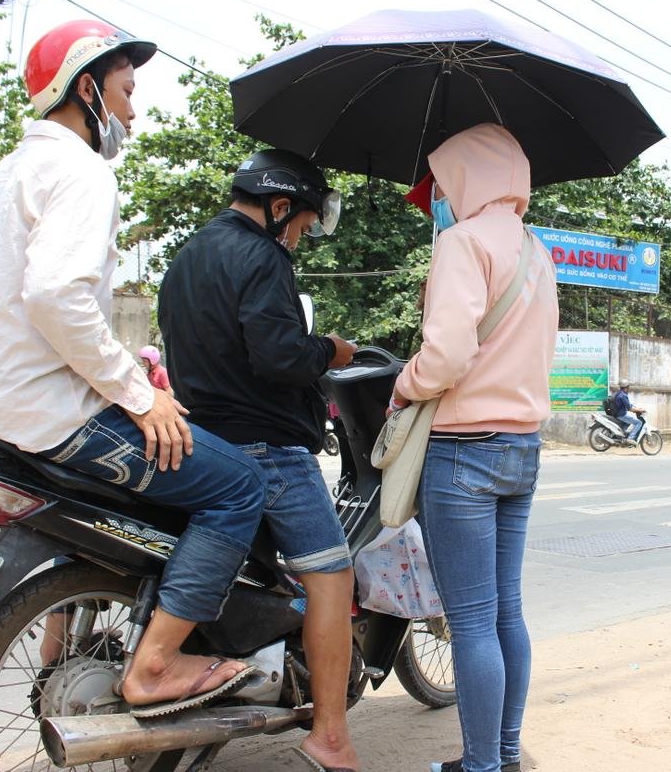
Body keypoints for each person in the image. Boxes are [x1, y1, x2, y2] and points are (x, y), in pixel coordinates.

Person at [0, 19, 270, 714]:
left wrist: (4, 361)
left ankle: (73, 645)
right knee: (237, 485)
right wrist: (137, 393)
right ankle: (158, 666)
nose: (133, 114)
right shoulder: (79, 171)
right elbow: (57, 295)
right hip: (58, 417)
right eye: (127, 92)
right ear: (88, 89)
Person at [157, 148, 360, 772]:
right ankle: (330, 734)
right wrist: (331, 349)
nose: (302, 235)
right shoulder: (263, 256)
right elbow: (277, 356)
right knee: (333, 577)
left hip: (204, 442)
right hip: (267, 448)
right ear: (278, 208)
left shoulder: (186, 256)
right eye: (301, 222)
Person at [390, 123, 559, 772]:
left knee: (471, 621)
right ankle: (504, 757)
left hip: (463, 452)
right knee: (505, 612)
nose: (439, 200)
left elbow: (448, 355)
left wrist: (406, 385)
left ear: (466, 176)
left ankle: (482, 767)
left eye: (442, 185)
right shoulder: (537, 251)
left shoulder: (462, 243)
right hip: (523, 448)